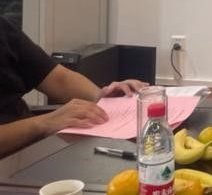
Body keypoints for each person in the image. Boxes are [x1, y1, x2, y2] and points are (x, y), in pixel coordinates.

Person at [0, 15, 146, 158]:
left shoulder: (4, 28)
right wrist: (43, 123)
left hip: (31, 150)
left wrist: (102, 98)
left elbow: (58, 79)